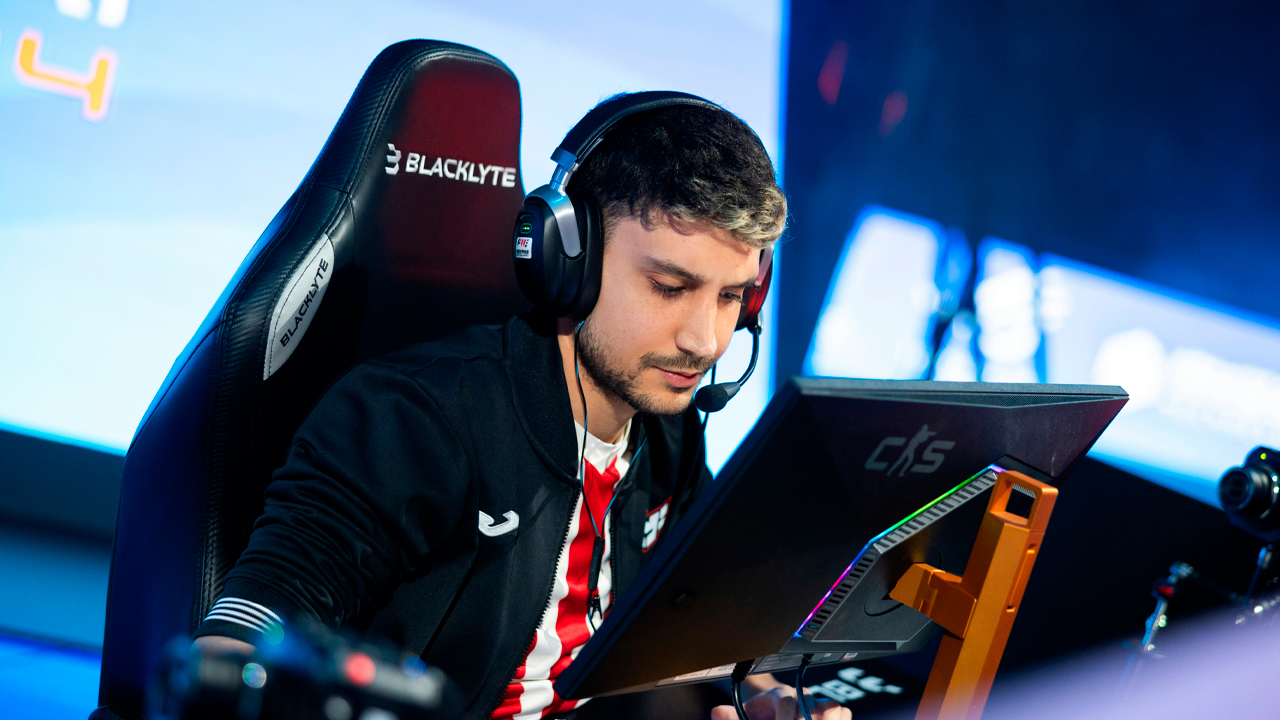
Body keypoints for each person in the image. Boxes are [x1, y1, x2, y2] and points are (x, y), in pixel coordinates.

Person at [194, 94, 849, 720]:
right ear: (569, 257)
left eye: (732, 297)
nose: (705, 340)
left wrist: (765, 695)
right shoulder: (416, 420)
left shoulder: (670, 438)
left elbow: (702, 621)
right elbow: (234, 650)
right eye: (670, 287)